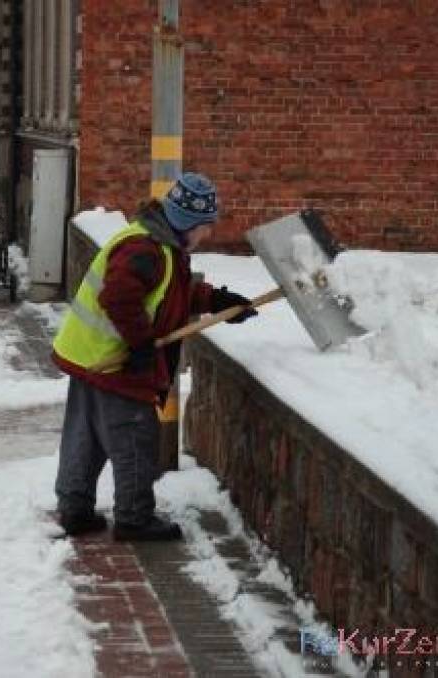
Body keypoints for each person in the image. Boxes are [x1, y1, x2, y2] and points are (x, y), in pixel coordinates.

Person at [52, 172, 258, 541]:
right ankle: (134, 518)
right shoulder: (145, 250)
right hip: (114, 361)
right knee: (133, 437)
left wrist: (217, 301)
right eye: (205, 226)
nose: (207, 234)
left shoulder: (157, 243)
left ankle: (74, 508)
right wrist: (141, 345)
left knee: (86, 436)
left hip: (88, 355)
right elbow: (118, 298)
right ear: (188, 222)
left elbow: (172, 293)